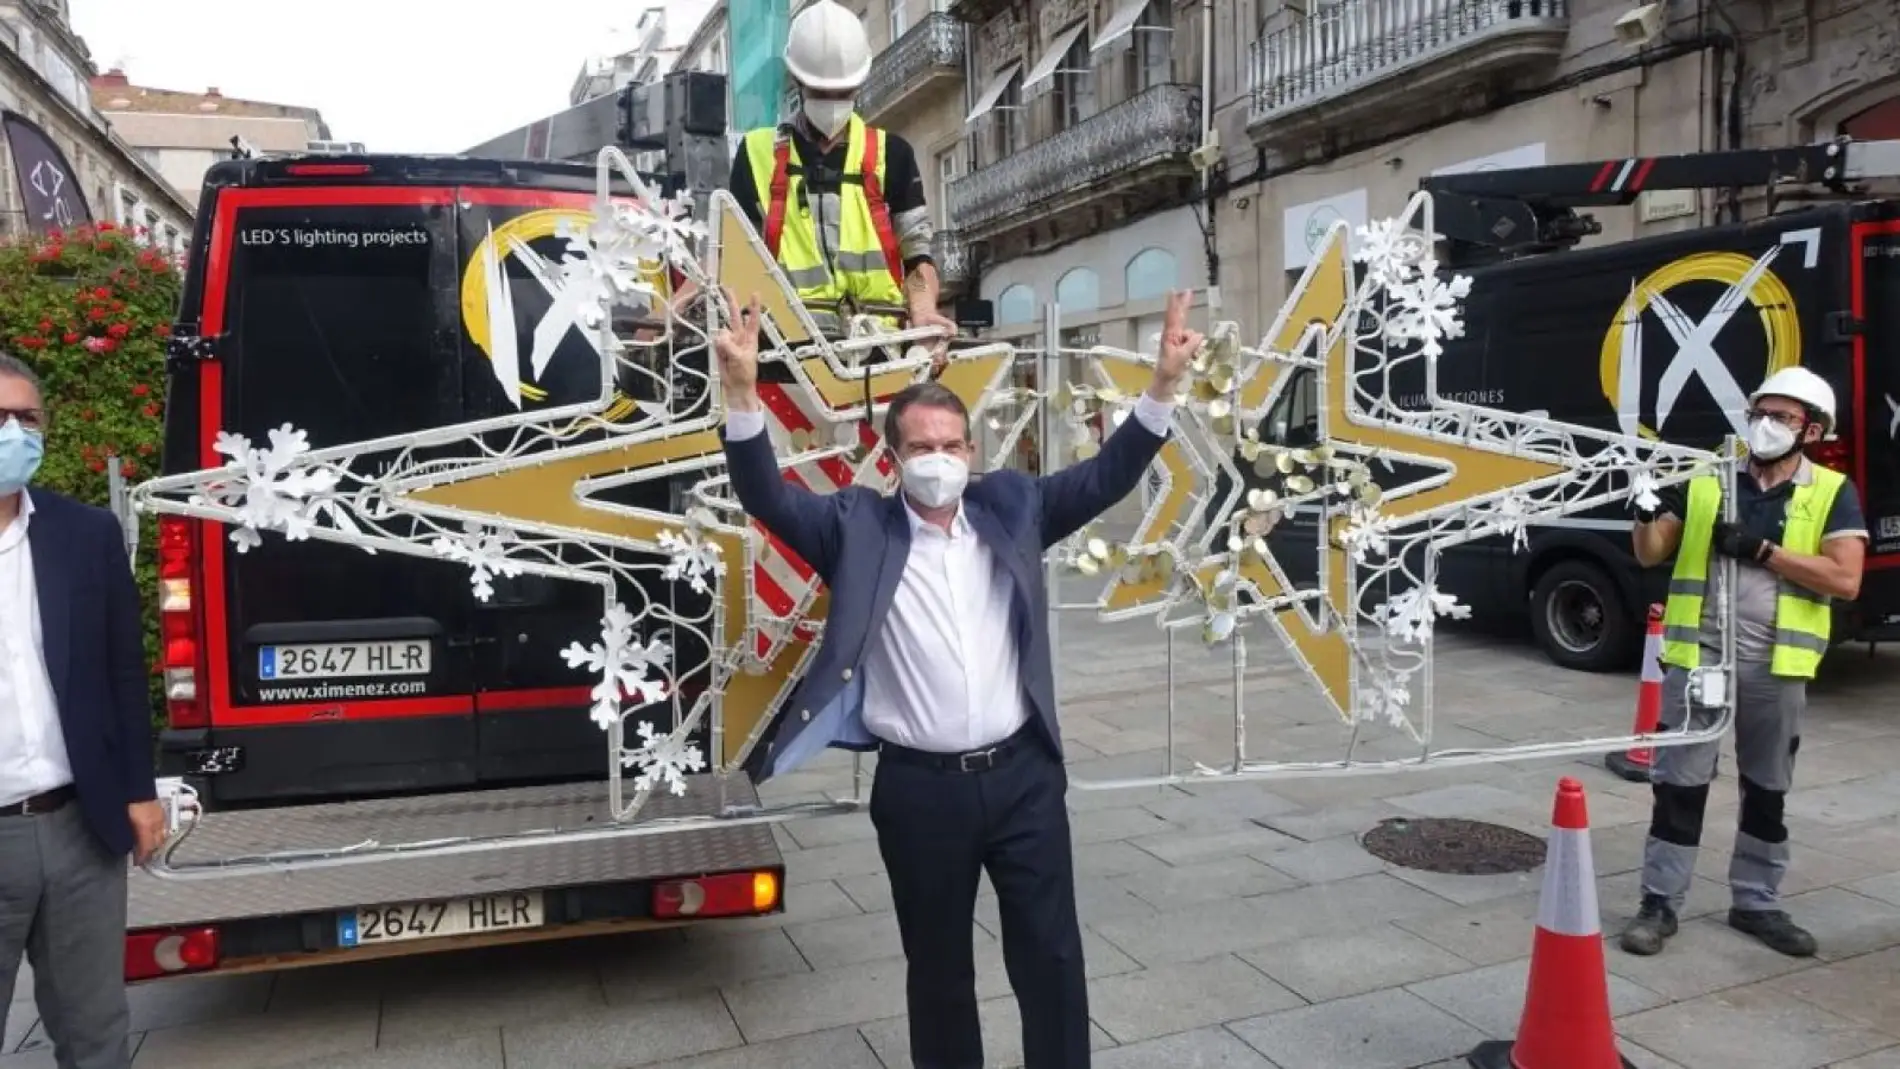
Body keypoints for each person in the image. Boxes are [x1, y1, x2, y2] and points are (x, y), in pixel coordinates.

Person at [715, 289, 1199, 1068]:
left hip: (1023, 780)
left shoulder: (1014, 504)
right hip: (919, 791)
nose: (938, 458)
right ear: (895, 458)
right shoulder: (855, 526)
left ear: (970, 452)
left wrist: (1164, 386)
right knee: (938, 972)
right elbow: (767, 496)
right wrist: (742, 393)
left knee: (1052, 961)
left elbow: (1107, 477)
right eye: (921, 447)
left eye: (951, 443)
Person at [1618, 366, 1868, 959]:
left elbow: (1846, 579)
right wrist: (1643, 506)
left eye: (1781, 417)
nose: (1766, 426)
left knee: (1766, 786)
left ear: (1810, 429)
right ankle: (1659, 903)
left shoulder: (1831, 490)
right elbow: (1654, 550)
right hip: (1700, 658)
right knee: (1679, 783)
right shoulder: (1710, 479)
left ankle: (1756, 901)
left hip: (1774, 664)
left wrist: (1764, 551)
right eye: (1761, 414)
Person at [0, 352, 165, 1069]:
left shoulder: (84, 536)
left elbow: (123, 673)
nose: (13, 431)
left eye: (25, 417)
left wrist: (141, 792)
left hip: (78, 827)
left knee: (96, 1038)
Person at [727, 0, 958, 361]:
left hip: (878, 351)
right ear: (798, 81)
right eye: (822, 92)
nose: (833, 103)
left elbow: (917, 256)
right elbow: (733, 257)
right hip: (785, 355)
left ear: (859, 83)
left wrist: (924, 312)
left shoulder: (891, 154)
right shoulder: (757, 154)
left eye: (843, 92)